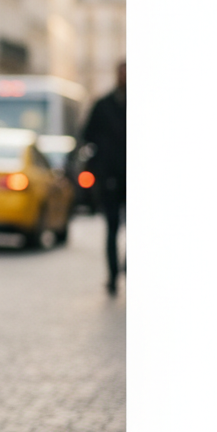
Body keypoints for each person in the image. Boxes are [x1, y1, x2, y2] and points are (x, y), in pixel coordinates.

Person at [82, 60, 126, 294]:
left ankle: (126, 266)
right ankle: (112, 276)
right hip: (110, 176)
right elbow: (87, 135)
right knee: (112, 228)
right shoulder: (103, 105)